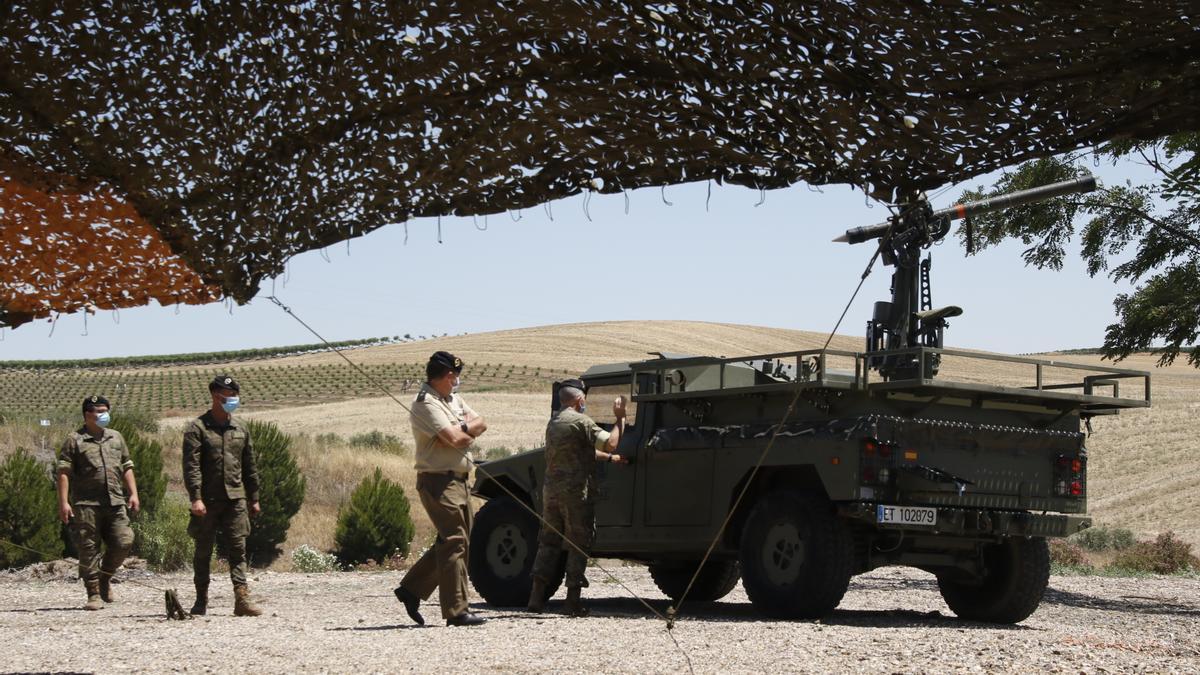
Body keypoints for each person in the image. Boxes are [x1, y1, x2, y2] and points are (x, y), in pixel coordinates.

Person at [393, 351, 488, 627]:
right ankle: (457, 611)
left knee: (455, 540)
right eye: (455, 376)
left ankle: (410, 589)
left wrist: (463, 429)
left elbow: (481, 422)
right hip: (437, 480)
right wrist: (465, 430)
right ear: (448, 376)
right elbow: (455, 438)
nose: (457, 381)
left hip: (458, 479)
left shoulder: (452, 399)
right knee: (455, 540)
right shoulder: (425, 403)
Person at [527, 378, 627, 617]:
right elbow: (611, 442)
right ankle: (572, 601)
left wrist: (609, 459)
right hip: (575, 493)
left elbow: (582, 449)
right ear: (580, 400)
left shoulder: (555, 422)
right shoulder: (581, 421)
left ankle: (536, 598)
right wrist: (621, 418)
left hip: (551, 492)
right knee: (578, 542)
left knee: (549, 542)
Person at [182, 375, 262, 617]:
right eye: (228, 396)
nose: (233, 400)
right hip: (208, 500)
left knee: (238, 548)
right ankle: (200, 599)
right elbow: (191, 466)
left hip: (235, 498)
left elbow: (249, 465)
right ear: (216, 396)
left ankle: (242, 599)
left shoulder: (240, 428)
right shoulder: (197, 429)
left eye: (235, 395)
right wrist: (195, 497)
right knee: (204, 551)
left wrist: (254, 497)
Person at [56, 395, 139, 610]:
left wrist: (133, 493)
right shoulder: (75, 440)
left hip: (115, 501)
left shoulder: (116, 437)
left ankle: (105, 577)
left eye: (105, 410)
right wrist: (64, 502)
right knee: (88, 548)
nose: (103, 414)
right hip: (86, 503)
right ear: (87, 415)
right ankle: (93, 593)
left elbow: (127, 466)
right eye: (98, 411)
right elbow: (63, 472)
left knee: (124, 541)